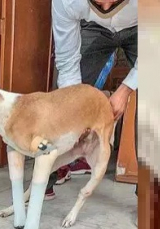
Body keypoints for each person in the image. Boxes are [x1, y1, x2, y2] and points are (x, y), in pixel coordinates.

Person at [44, 0, 138, 208]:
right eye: (97, 2)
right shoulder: (66, 1)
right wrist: (76, 112)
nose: (105, 9)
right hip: (93, 28)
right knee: (64, 101)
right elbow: (68, 63)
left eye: (113, 1)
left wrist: (125, 90)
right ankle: (44, 177)